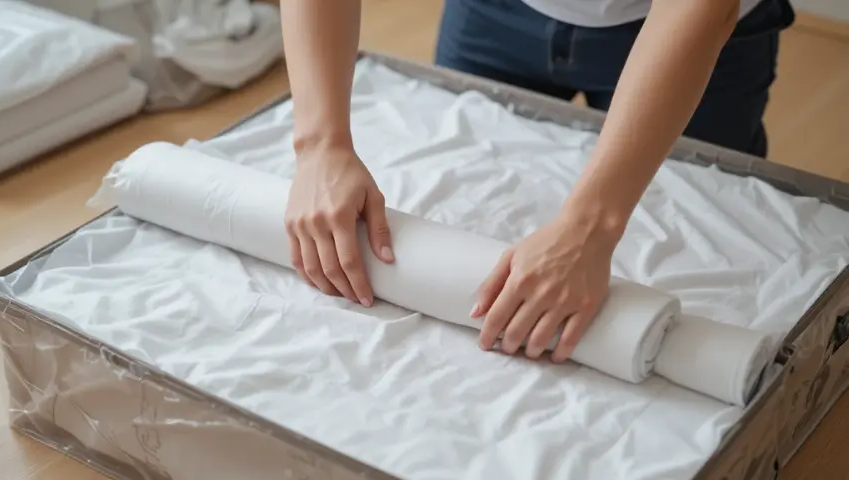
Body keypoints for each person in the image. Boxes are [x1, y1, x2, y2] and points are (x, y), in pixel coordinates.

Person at [278, 0, 795, 362]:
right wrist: (320, 144)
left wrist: (589, 228)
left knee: (719, 220)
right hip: (497, 13)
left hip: (685, 30)